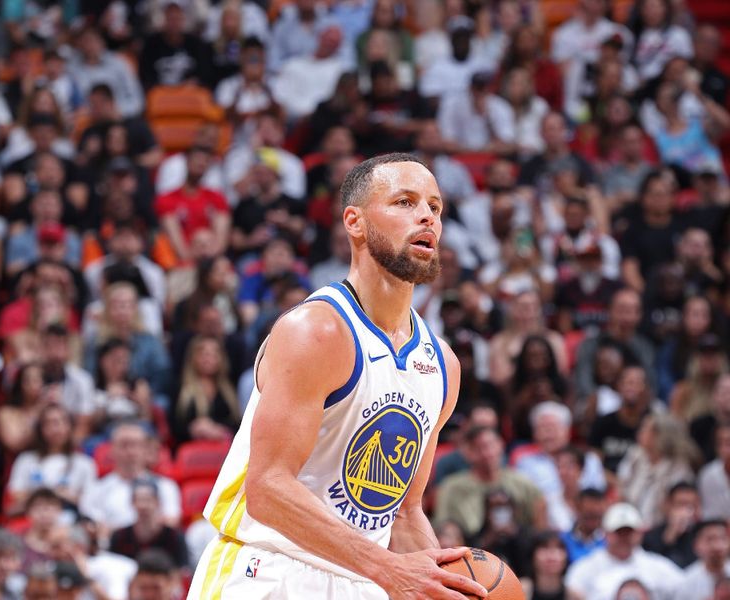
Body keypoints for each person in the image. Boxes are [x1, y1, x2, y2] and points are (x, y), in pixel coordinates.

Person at [187, 154, 488, 599]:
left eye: (435, 207)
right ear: (355, 222)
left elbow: (403, 514)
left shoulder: (443, 365)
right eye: (405, 202)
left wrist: (445, 587)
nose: (426, 216)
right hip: (267, 571)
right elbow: (268, 488)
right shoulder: (315, 331)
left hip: (365, 580)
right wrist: (388, 569)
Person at [434, 426, 546, 540]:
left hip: (518, 548)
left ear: (501, 444)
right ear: (467, 453)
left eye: (491, 445)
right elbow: (443, 527)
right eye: (479, 448)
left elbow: (540, 524)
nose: (487, 453)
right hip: (469, 550)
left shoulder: (523, 483)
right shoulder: (452, 487)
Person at [565, 502, 684, 600]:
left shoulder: (658, 566)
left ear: (639, 534)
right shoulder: (585, 568)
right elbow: (570, 591)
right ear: (605, 533)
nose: (624, 538)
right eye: (619, 532)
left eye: (629, 532)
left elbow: (686, 590)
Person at [642, 482, 702, 568]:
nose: (686, 511)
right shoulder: (651, 536)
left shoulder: (701, 535)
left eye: (691, 505)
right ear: (668, 505)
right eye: (680, 504)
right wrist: (671, 534)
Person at [676, 520, 730, 600]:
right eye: (710, 539)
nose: (718, 546)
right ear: (696, 545)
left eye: (723, 538)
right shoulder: (687, 583)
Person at [560, 487, 607, 562]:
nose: (594, 520)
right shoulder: (562, 542)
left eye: (598, 516)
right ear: (577, 510)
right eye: (589, 514)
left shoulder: (610, 542)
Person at [697, 423, 730, 521]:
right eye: (720, 443)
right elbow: (710, 514)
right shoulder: (708, 474)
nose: (724, 449)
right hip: (719, 530)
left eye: (728, 443)